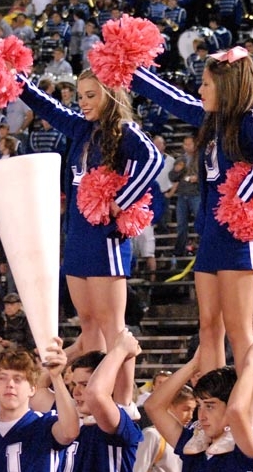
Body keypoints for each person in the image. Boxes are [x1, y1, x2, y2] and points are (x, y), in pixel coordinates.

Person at [131, 49, 253, 378]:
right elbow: (173, 98)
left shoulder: (250, 117)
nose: (200, 91)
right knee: (208, 328)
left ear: (227, 85)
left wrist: (244, 195)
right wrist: (132, 72)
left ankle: (247, 414)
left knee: (239, 330)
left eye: (205, 84)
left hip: (239, 236)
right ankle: (214, 406)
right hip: (212, 236)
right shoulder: (211, 120)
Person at [16, 68, 162, 410]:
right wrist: (18, 81)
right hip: (78, 236)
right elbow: (48, 107)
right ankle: (93, 396)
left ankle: (124, 401)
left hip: (107, 240)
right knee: (88, 325)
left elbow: (153, 160)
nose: (82, 102)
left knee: (114, 326)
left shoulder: (125, 132)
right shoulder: (81, 129)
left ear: (110, 95)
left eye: (91, 95)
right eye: (79, 96)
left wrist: (123, 200)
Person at [144, 343, 253, 472]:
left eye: (210, 406)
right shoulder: (194, 444)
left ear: (228, 405)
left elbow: (236, 411)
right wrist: (193, 365)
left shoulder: (247, 445)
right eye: (200, 406)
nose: (202, 415)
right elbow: (153, 406)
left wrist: (252, 368)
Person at [0, 344, 79, 472]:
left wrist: (56, 377)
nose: (10, 384)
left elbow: (70, 432)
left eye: (18, 379)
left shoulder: (44, 425)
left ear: (32, 389)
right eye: (2, 378)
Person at [57, 332, 144, 472]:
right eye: (74, 385)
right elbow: (37, 389)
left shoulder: (116, 421)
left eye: (85, 384)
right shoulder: (70, 416)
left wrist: (121, 349)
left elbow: (96, 394)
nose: (76, 392)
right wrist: (74, 350)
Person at [133, 385, 196, 472]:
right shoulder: (152, 435)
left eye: (193, 410)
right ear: (169, 406)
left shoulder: (190, 437)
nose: (190, 416)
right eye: (186, 409)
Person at [169, 135, 200, 257]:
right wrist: (177, 170)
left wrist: (198, 178)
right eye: (185, 144)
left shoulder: (200, 158)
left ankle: (201, 247)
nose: (187, 147)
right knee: (181, 224)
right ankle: (179, 250)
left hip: (196, 194)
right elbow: (172, 177)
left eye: (189, 144)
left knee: (199, 222)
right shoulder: (180, 159)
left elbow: (208, 175)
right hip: (182, 195)